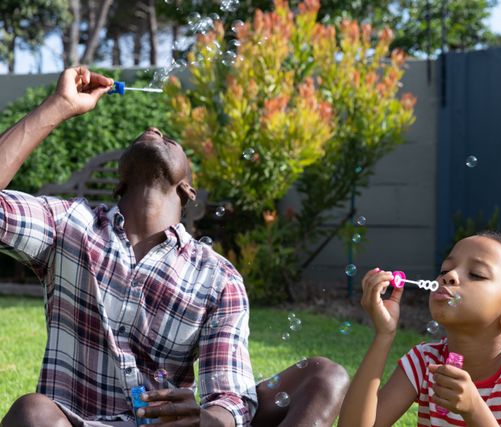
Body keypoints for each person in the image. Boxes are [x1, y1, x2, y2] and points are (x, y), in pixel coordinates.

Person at [0, 67, 349, 427]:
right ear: (120, 182)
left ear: (188, 190)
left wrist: (206, 419)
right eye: (145, 135)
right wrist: (56, 107)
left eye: (168, 138)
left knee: (324, 376)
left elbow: (230, 397)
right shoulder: (70, 225)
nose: (155, 131)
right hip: (76, 421)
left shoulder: (216, 277)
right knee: (32, 412)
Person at [338, 232, 501, 426]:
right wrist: (384, 334)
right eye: (444, 270)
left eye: (476, 274)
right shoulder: (426, 361)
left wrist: (474, 410)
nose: (449, 276)